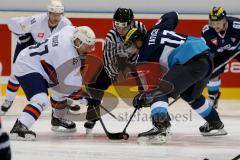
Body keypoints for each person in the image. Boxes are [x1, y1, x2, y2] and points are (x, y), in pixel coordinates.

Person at [123, 12, 227, 144]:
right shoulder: (156, 29)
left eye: (130, 47)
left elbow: (152, 88)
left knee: (160, 90)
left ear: (138, 42)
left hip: (190, 60)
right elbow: (173, 15)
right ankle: (215, 123)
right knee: (190, 95)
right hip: (206, 58)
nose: (129, 51)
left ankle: (160, 128)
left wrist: (143, 97)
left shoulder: (144, 55)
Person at [9, 25, 96, 140]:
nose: (88, 50)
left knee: (58, 92)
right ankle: (19, 127)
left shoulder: (69, 31)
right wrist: (86, 99)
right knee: (41, 100)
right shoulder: (68, 56)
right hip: (27, 65)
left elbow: (71, 27)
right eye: (87, 46)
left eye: (90, 46)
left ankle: (57, 119)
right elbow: (69, 89)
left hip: (39, 62)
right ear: (78, 42)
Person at [0, 0, 79, 115]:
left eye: (58, 15)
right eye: (53, 14)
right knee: (16, 75)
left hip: (48, 53)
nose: (56, 18)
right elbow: (12, 23)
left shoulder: (66, 24)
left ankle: (66, 100)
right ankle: (8, 100)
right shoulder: (35, 20)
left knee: (57, 76)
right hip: (29, 48)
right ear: (48, 13)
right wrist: (21, 36)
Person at [83, 8, 147, 134]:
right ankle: (92, 117)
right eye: (117, 25)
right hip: (117, 64)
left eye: (124, 26)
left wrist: (143, 81)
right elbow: (108, 62)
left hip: (138, 63)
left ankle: (161, 120)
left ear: (130, 23)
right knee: (95, 86)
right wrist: (116, 76)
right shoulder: (111, 37)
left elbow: (148, 48)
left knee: (150, 89)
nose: (120, 30)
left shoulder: (140, 27)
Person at [202, 6, 240, 109]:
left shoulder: (237, 25)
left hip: (238, 50)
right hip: (221, 53)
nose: (215, 25)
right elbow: (208, 50)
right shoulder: (207, 31)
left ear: (224, 20)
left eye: (218, 22)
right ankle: (213, 98)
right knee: (212, 72)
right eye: (212, 22)